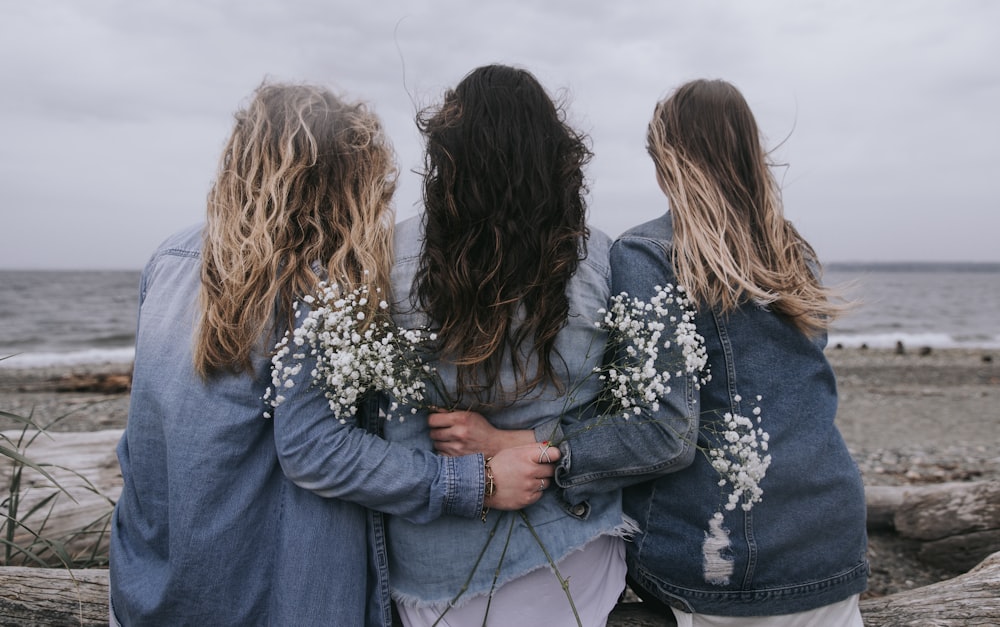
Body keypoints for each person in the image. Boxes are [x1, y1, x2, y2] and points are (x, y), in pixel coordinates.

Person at [108, 82, 559, 627]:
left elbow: (143, 435)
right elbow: (315, 448)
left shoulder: (172, 258)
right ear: (342, 182)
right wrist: (480, 482)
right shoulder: (316, 284)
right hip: (280, 601)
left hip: (151, 591)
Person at [432, 79, 869, 626]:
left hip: (726, 557)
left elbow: (662, 433)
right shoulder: (791, 249)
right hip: (833, 534)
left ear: (665, 159)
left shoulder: (650, 253)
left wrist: (517, 441)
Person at [383, 64, 630, 626]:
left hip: (431, 569)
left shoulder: (386, 255)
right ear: (556, 153)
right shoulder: (603, 259)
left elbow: (378, 423)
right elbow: (632, 415)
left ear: (447, 153)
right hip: (570, 544)